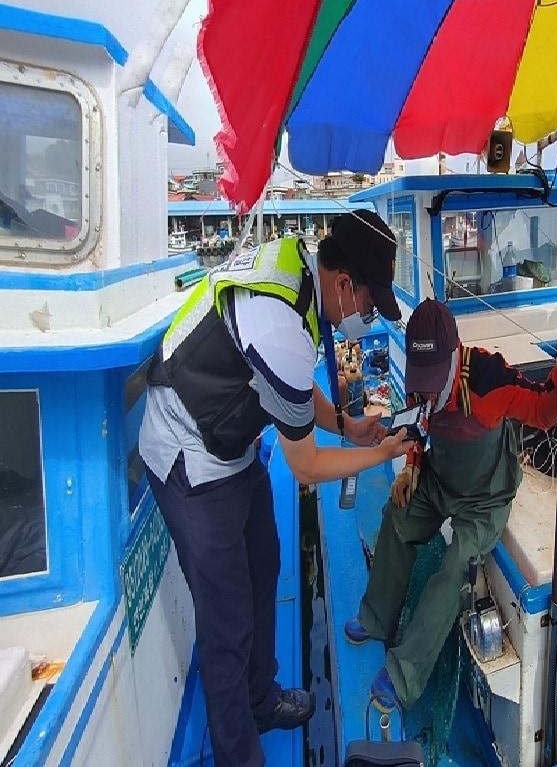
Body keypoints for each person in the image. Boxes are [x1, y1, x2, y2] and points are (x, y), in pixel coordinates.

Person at [139, 210, 413, 766]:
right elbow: (307, 466)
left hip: (231, 445)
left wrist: (347, 424)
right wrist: (382, 451)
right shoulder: (281, 326)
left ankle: (261, 701)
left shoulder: (299, 283)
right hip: (188, 458)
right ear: (343, 284)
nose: (366, 315)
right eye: (367, 303)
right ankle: (240, 755)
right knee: (227, 625)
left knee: (264, 564)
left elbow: (285, 384)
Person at [344, 299, 557, 712]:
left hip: (485, 497)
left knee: (456, 563)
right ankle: (375, 617)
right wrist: (410, 469)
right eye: (419, 379)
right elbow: (415, 427)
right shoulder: (419, 381)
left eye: (432, 377)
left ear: (455, 355)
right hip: (439, 478)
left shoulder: (490, 377)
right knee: (396, 516)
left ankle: (404, 673)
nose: (424, 389)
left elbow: (547, 410)